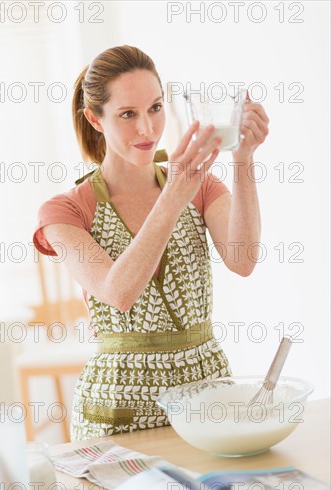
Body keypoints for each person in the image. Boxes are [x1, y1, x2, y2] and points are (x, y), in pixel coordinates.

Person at [32, 45, 269, 441]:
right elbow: (119, 292)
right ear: (95, 118)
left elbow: (242, 260)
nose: (147, 129)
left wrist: (243, 158)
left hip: (207, 397)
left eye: (155, 108)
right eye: (127, 114)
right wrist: (173, 195)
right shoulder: (65, 211)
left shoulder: (201, 186)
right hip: (117, 407)